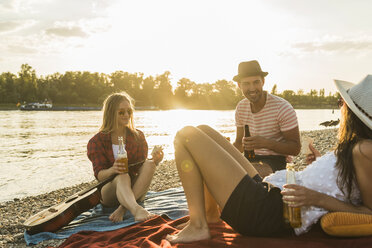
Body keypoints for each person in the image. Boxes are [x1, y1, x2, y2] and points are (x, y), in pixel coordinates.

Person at [165, 75, 372, 243]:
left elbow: (368, 211)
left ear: (352, 113)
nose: (340, 107)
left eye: (341, 103)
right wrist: (319, 166)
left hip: (270, 212)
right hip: (273, 192)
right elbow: (349, 185)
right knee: (203, 131)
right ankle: (208, 216)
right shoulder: (359, 146)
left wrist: (316, 198)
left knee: (186, 135)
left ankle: (198, 225)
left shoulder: (364, 148)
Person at [87, 92, 164, 222]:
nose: (127, 115)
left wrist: (156, 160)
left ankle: (124, 208)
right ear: (111, 113)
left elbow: (141, 168)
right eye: (121, 112)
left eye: (129, 111)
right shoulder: (96, 141)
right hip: (109, 191)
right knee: (122, 175)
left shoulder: (138, 136)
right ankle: (136, 209)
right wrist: (113, 170)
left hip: (134, 189)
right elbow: (99, 175)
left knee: (149, 164)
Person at [232, 60, 301, 176]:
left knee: (245, 174)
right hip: (249, 159)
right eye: (246, 84)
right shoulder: (241, 107)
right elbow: (239, 143)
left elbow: (295, 148)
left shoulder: (282, 108)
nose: (252, 88)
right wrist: (223, 149)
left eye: (256, 82)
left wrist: (266, 143)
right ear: (239, 85)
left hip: (276, 161)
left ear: (263, 82)